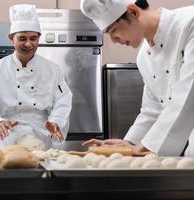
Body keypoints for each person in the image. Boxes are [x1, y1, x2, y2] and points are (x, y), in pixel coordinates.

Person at [80, 0, 194, 156]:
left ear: (133, 12)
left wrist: (150, 146)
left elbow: (189, 94)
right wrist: (130, 143)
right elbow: (152, 110)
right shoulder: (143, 57)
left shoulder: (189, 22)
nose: (113, 40)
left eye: (113, 30)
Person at [0, 4, 72, 149]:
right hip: (8, 137)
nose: (28, 44)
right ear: (11, 38)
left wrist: (56, 120)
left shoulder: (52, 69)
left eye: (33, 38)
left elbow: (63, 99)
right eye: (22, 38)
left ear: (39, 38)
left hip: (41, 139)